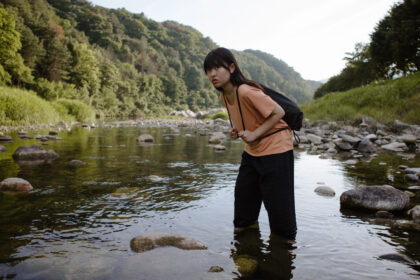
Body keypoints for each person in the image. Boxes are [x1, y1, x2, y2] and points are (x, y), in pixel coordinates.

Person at [203, 47, 297, 239]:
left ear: (231, 68)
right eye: (208, 70)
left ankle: (284, 251)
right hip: (253, 152)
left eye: (216, 68)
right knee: (244, 205)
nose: (212, 74)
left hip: (276, 149)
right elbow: (248, 118)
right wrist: (236, 131)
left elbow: (278, 112)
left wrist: (254, 134)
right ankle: (247, 245)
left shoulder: (245, 91)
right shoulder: (224, 95)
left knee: (279, 211)